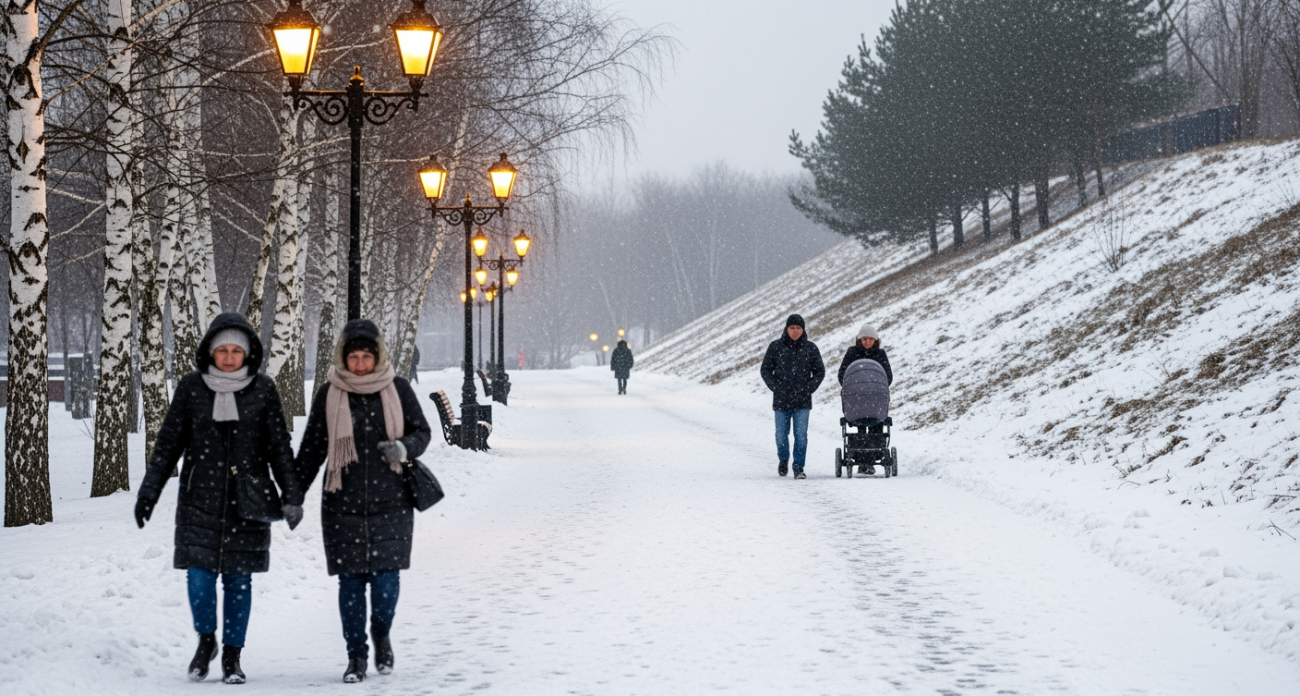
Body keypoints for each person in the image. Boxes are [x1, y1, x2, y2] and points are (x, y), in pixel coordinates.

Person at [133, 313, 303, 685]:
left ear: (247, 354)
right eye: (222, 350)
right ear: (210, 351)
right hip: (200, 500)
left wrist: (291, 495)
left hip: (248, 501)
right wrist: (149, 493)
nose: (228, 357)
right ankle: (206, 640)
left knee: (239, 583)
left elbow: (279, 447)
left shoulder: (262, 389)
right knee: (199, 580)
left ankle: (232, 657)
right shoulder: (192, 388)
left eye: (235, 351)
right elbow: (167, 444)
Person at [295, 319, 432, 683]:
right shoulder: (329, 394)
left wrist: (405, 447)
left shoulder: (398, 389)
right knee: (351, 584)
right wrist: (293, 495)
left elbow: (422, 431)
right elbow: (311, 449)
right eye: (353, 357)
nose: (359, 364)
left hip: (392, 502)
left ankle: (381, 633)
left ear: (377, 356)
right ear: (343, 357)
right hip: (343, 503)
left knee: (386, 582)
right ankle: (356, 655)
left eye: (365, 357)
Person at [760, 314, 825, 479]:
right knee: (781, 434)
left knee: (801, 435)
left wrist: (809, 387)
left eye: (798, 328)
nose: (795, 331)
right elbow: (765, 369)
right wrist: (775, 386)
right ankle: (783, 460)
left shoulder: (811, 348)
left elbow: (820, 371)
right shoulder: (775, 347)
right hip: (781, 400)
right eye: (792, 328)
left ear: (803, 330)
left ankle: (798, 467)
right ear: (786, 329)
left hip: (802, 401)